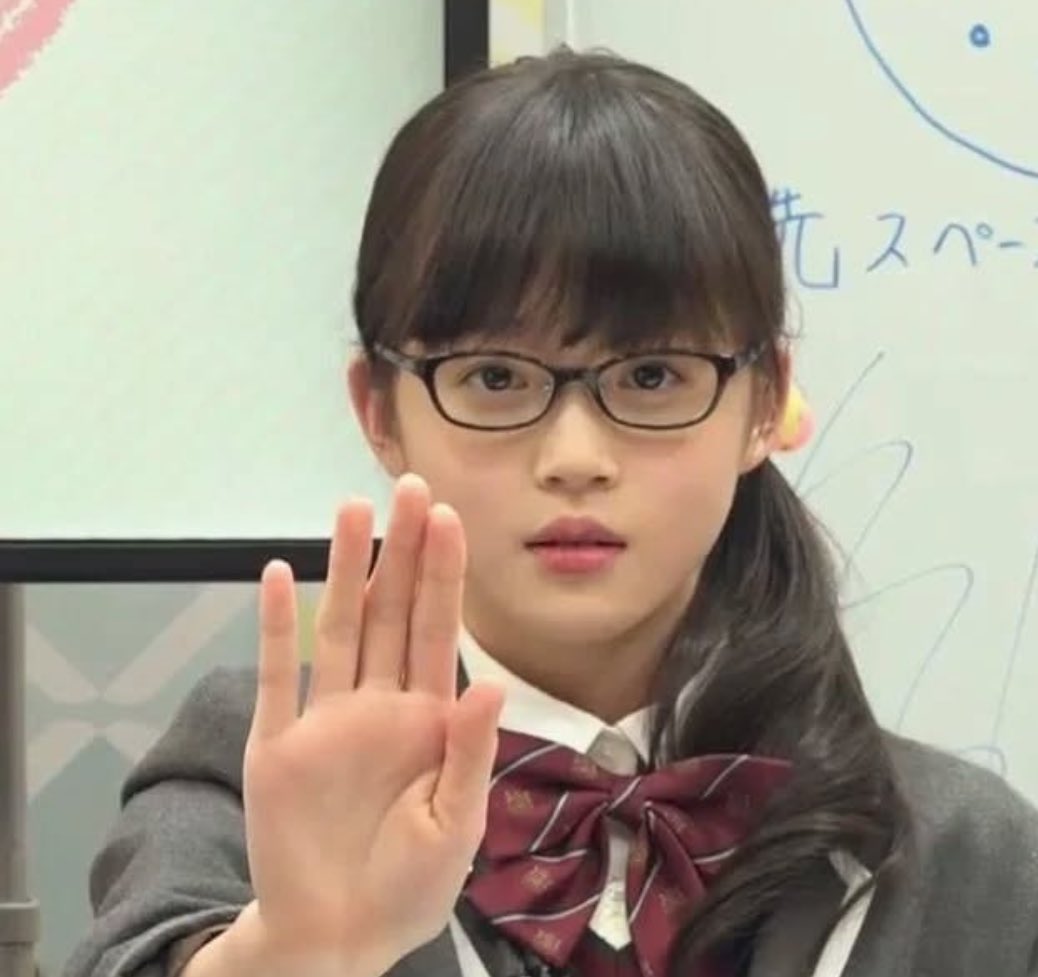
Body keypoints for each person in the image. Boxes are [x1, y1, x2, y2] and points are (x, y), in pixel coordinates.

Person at [63, 48, 1038, 977]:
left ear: (764, 401)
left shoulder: (968, 853)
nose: (575, 457)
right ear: (378, 410)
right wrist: (299, 951)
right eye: (495, 377)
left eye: (652, 375)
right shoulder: (264, 772)